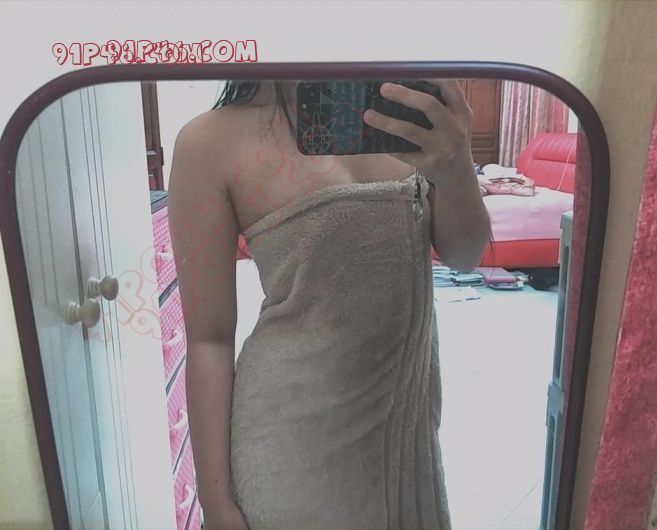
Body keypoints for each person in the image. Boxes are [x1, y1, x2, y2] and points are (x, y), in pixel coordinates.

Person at [168, 79, 491, 530]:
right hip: (290, 449)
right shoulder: (209, 141)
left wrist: (457, 169)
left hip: (407, 435)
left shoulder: (403, 107)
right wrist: (216, 503)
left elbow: (465, 255)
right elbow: (209, 339)